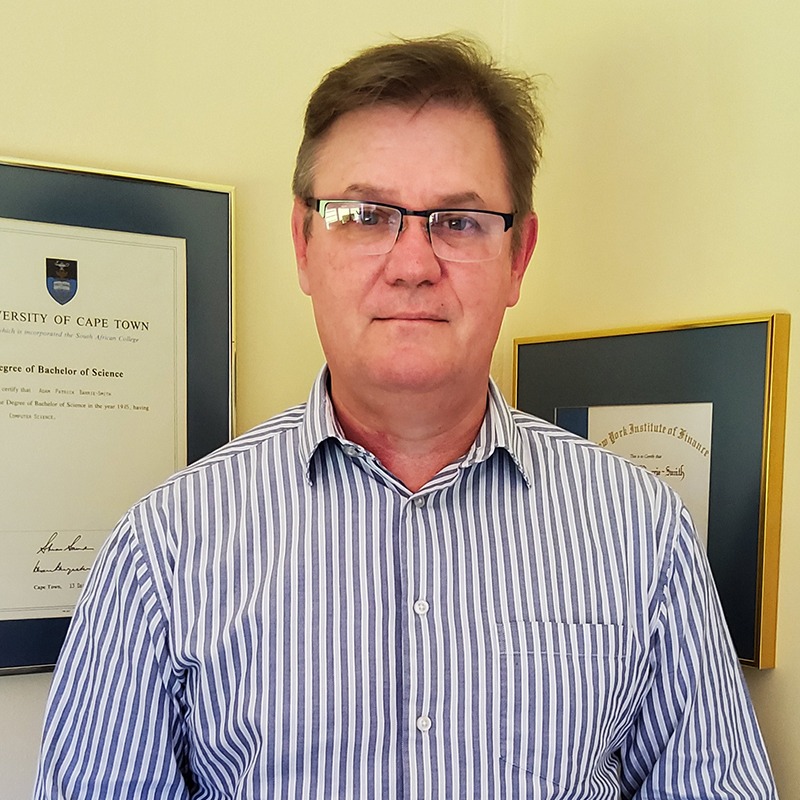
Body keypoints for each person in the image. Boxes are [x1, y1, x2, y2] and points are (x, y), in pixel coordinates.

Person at [34, 35, 777, 799]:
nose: (414, 264)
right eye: (364, 216)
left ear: (518, 257)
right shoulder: (164, 551)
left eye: (460, 221)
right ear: (303, 245)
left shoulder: (640, 531)